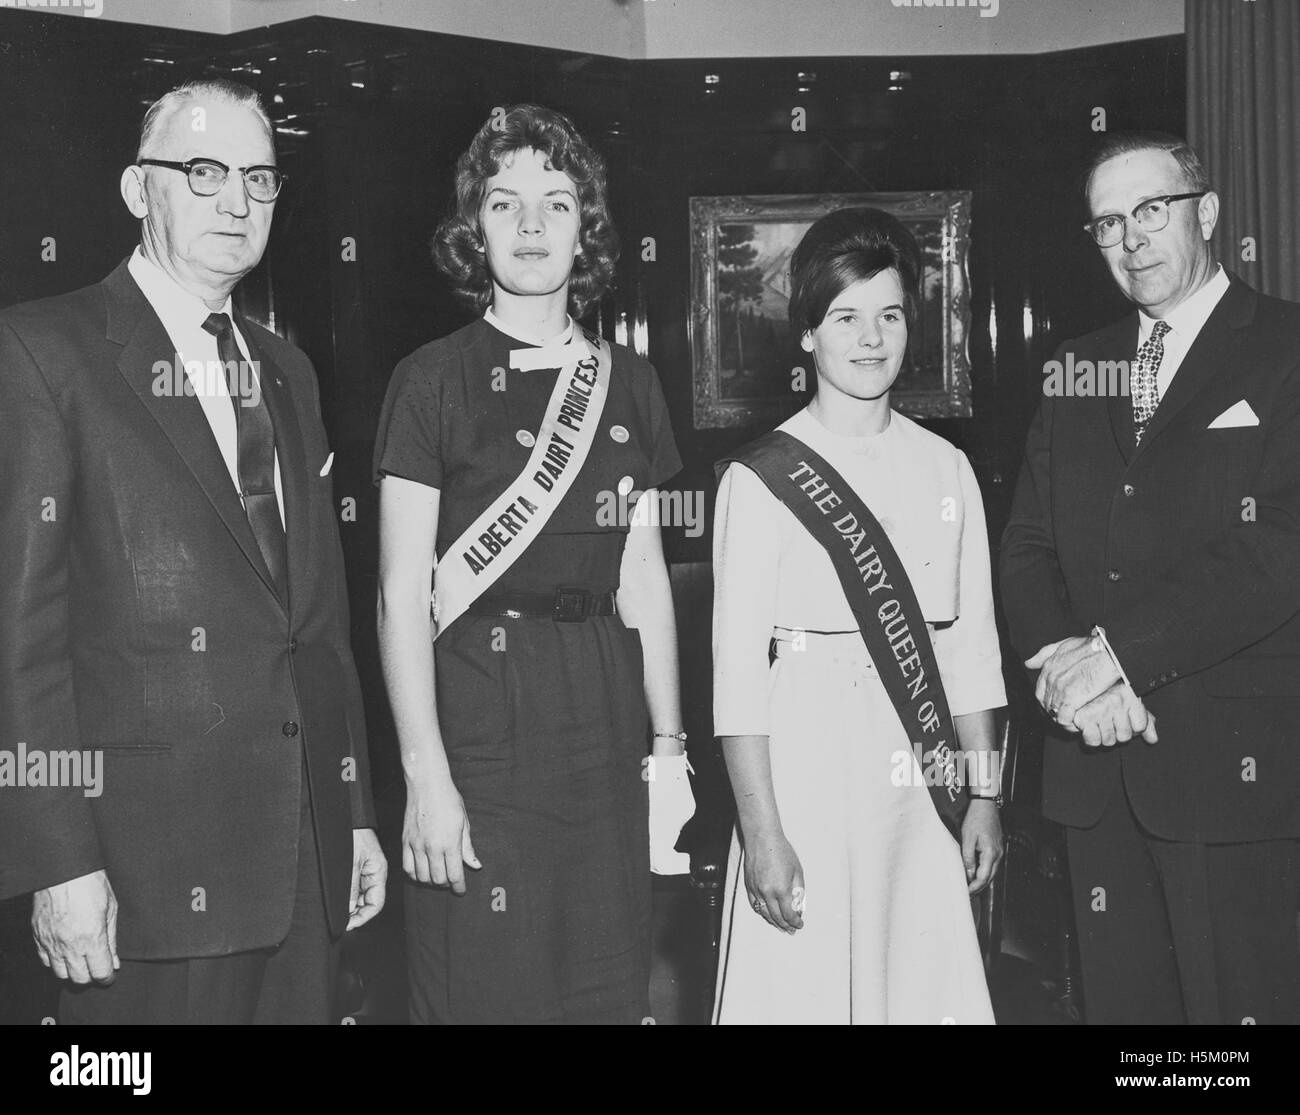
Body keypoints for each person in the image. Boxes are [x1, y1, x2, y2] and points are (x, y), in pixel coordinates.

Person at [0, 79, 386, 1024]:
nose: (237, 201)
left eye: (259, 177)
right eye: (203, 171)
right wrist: (61, 865)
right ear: (139, 191)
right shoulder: (42, 353)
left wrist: (358, 814)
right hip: (143, 882)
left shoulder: (287, 370)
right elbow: (18, 646)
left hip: (302, 865)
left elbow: (320, 625)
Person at [374, 104, 692, 1025]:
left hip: (602, 711)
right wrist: (424, 775)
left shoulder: (628, 381)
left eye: (556, 206)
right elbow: (402, 596)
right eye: (505, 204)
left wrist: (668, 751)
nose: (530, 228)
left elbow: (644, 578)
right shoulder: (431, 378)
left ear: (585, 229)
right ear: (474, 226)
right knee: (486, 986)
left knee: (603, 979)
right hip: (479, 707)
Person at [1001, 131, 1300, 1025]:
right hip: (1097, 771)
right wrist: (1074, 679)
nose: (1130, 239)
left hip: (1231, 778)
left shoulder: (1285, 348)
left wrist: (1119, 656)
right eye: (1106, 224)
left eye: (1151, 210)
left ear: (1206, 213)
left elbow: (1282, 541)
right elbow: (1026, 546)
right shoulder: (1076, 368)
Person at [711, 207, 1005, 1025]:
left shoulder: (948, 468)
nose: (870, 338)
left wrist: (984, 795)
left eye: (890, 315)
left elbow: (973, 650)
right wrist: (761, 831)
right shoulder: (760, 478)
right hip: (804, 765)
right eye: (845, 316)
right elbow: (737, 681)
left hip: (920, 775)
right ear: (806, 334)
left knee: (916, 983)